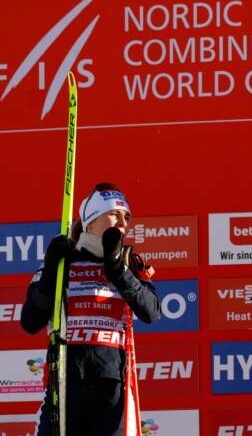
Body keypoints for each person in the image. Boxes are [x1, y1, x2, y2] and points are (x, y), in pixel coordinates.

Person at [20, 182, 161, 436]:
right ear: (91, 222)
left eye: (126, 217)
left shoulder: (128, 261)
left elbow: (151, 312)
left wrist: (119, 271)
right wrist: (51, 270)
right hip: (63, 383)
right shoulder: (62, 262)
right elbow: (30, 321)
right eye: (114, 214)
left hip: (110, 388)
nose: (123, 223)